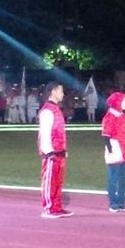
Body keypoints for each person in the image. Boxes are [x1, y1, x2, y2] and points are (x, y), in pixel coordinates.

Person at [38, 81, 73, 219]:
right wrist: (48, 151)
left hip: (59, 151)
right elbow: (45, 133)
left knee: (58, 182)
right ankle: (48, 208)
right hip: (51, 153)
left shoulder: (56, 109)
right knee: (50, 181)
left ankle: (56, 206)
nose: (62, 94)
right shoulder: (47, 110)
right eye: (60, 91)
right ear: (53, 91)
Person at [101, 92, 125, 212]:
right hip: (116, 151)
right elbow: (106, 136)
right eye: (123, 100)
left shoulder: (122, 116)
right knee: (113, 178)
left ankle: (121, 202)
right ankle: (113, 202)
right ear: (117, 102)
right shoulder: (110, 117)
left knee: (122, 178)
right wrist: (111, 151)